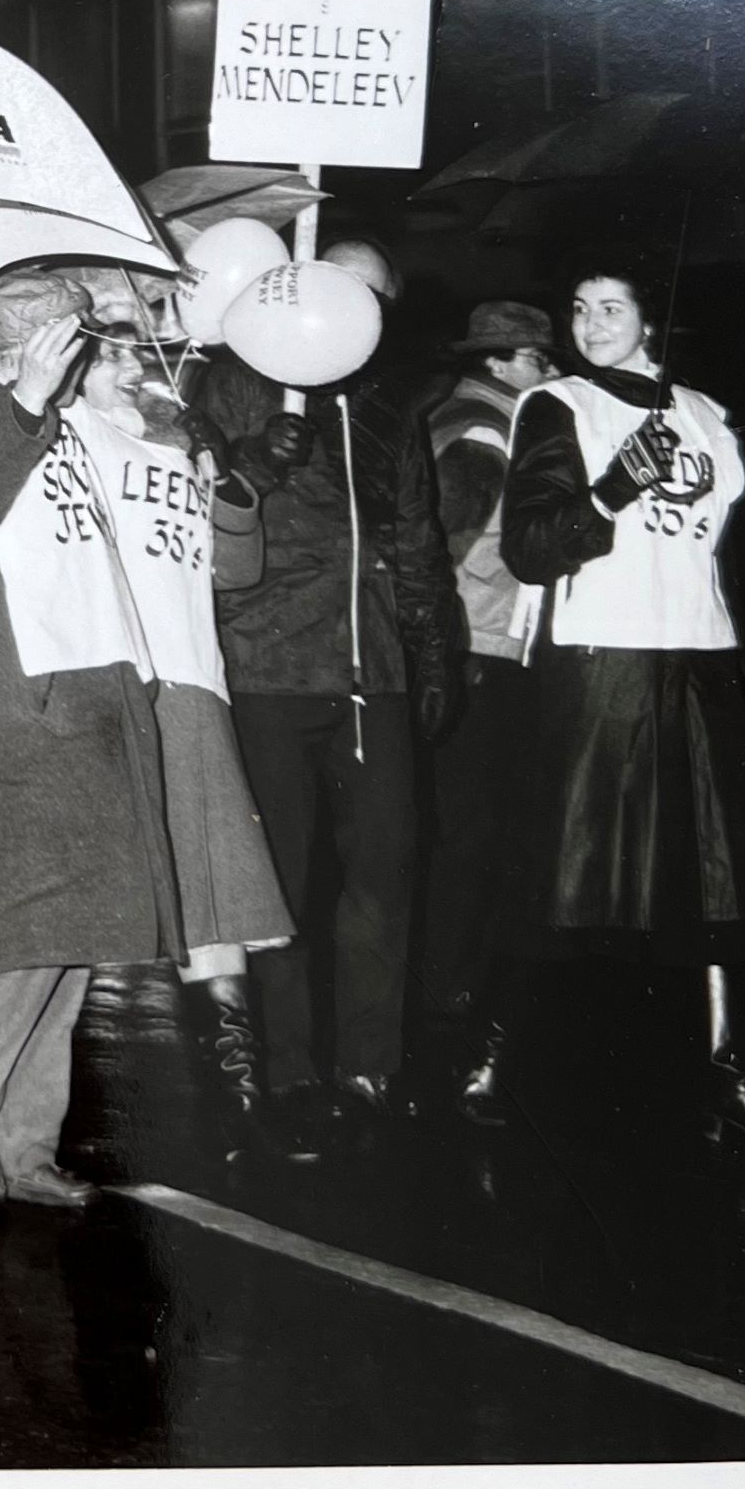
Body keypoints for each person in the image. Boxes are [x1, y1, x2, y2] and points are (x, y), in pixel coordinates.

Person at [485, 267, 745, 1147]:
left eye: (611, 308)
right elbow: (530, 547)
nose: (590, 322)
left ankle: (724, 1076)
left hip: (699, 659)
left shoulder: (708, 417)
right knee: (578, 871)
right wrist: (612, 489)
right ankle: (512, 1063)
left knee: (718, 875)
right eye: (579, 307)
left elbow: (724, 561)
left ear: (650, 322)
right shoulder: (557, 406)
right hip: (603, 657)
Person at [0, 275, 176, 1209]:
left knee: (77, 933)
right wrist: (24, 399)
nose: (89, 356)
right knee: (31, 926)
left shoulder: (70, 430)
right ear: (13, 349)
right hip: (14, 707)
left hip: (89, 695)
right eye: (71, 342)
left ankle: (25, 1144)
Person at [196, 244, 465, 1125]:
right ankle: (287, 1066)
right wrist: (257, 456)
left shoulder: (392, 411)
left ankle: (369, 1064)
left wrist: (430, 656)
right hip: (269, 669)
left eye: (377, 300)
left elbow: (420, 543)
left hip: (371, 674)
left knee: (382, 873)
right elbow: (202, 506)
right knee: (278, 880)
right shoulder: (237, 384)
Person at [69, 326, 309, 1170]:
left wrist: (235, 480)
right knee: (86, 895)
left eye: (139, 354)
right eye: (110, 355)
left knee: (218, 888)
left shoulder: (180, 447)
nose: (132, 368)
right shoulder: (71, 435)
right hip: (114, 679)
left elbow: (234, 571)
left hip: (193, 676)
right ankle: (38, 1097)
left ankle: (241, 1094)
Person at [420, 302, 557, 1059]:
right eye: (540, 359)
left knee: (460, 830)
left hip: (475, 646)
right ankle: (449, 991)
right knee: (470, 835)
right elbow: (442, 546)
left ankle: (446, 984)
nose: (552, 371)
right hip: (477, 646)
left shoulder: (471, 421)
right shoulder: (483, 434)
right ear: (500, 364)